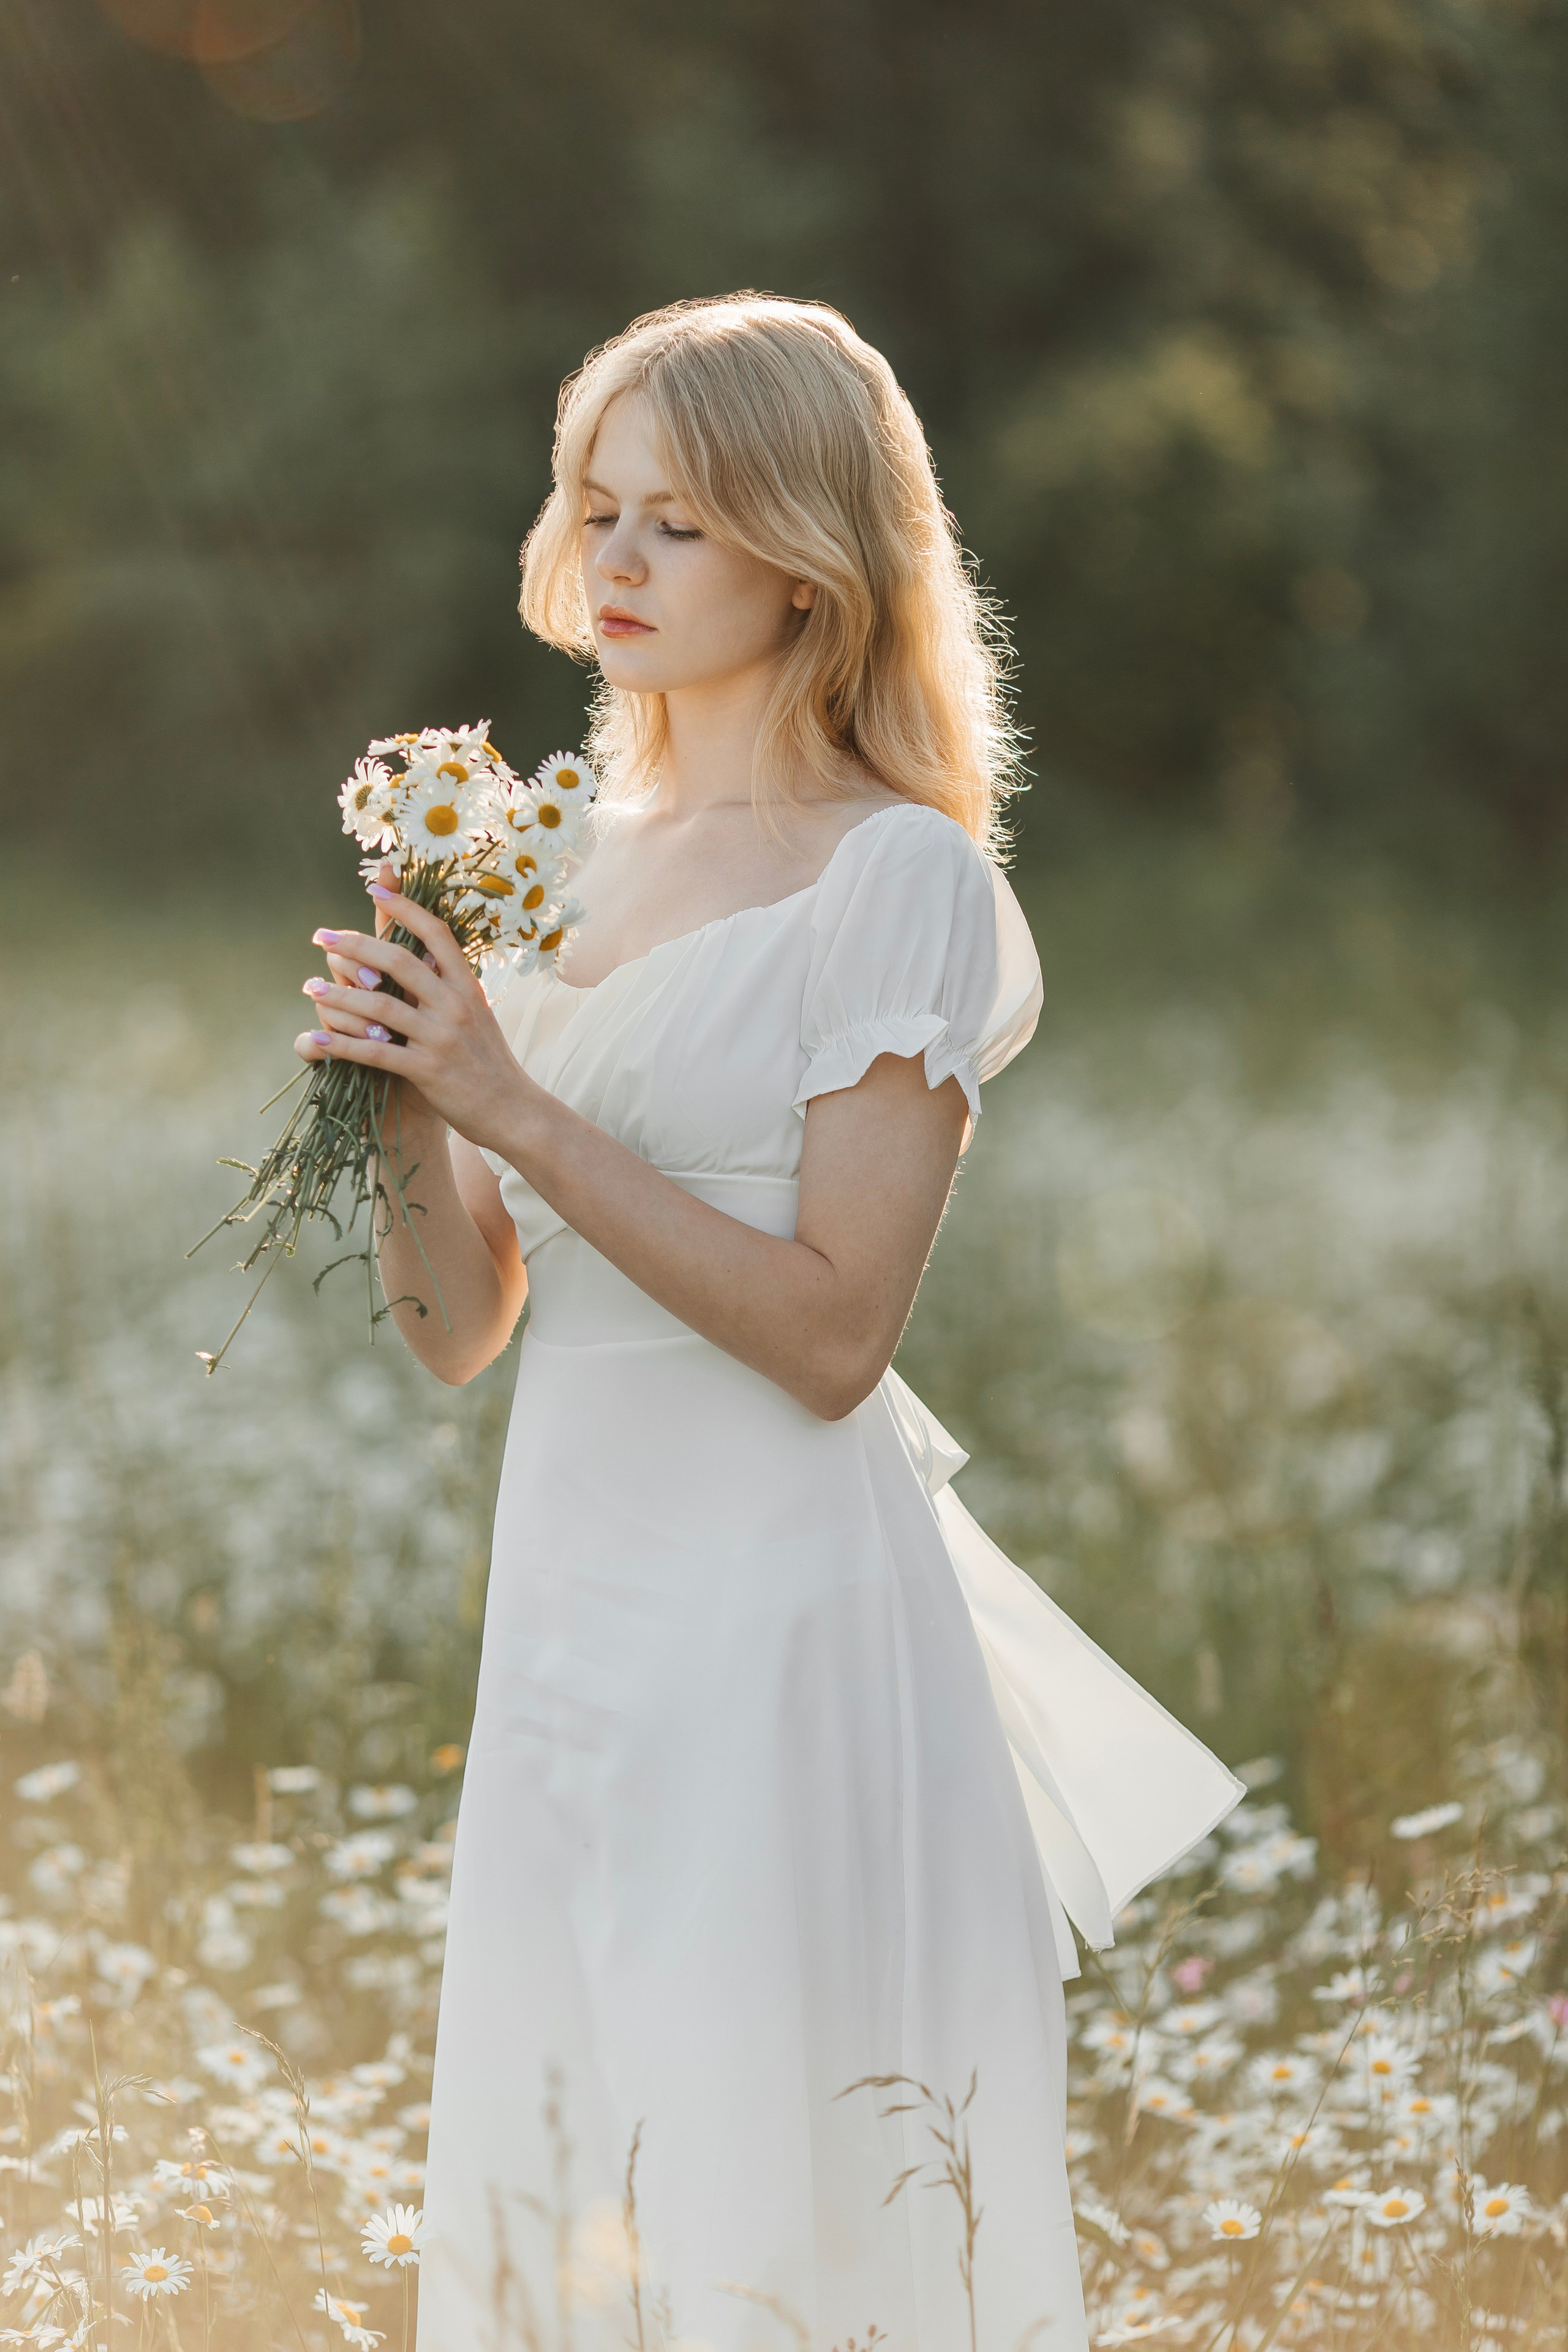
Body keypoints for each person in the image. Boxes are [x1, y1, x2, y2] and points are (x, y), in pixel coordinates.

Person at [297, 295, 1240, 2352]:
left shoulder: (894, 878)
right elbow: (462, 1328)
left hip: (783, 1618)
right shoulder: (546, 853)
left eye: (682, 527)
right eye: (597, 510)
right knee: (571, 2194)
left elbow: (833, 1339)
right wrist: (397, 1084)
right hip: (570, 1614)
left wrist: (514, 1098)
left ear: (811, 554)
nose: (615, 564)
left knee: (778, 2208)